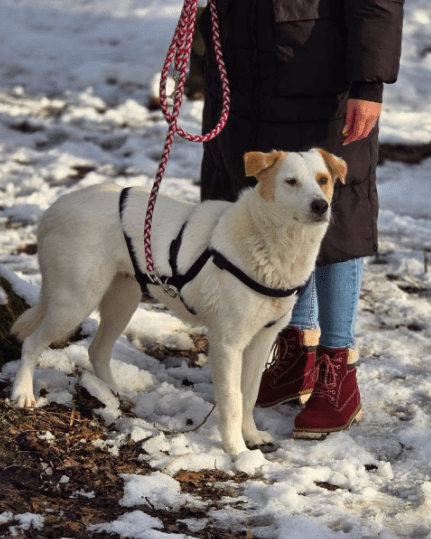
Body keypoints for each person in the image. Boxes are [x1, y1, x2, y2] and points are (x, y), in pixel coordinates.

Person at [198, 0, 404, 438]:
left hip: (321, 73)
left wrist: (370, 82)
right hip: (241, 68)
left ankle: (338, 368)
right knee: (269, 211)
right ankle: (296, 349)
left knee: (339, 220)